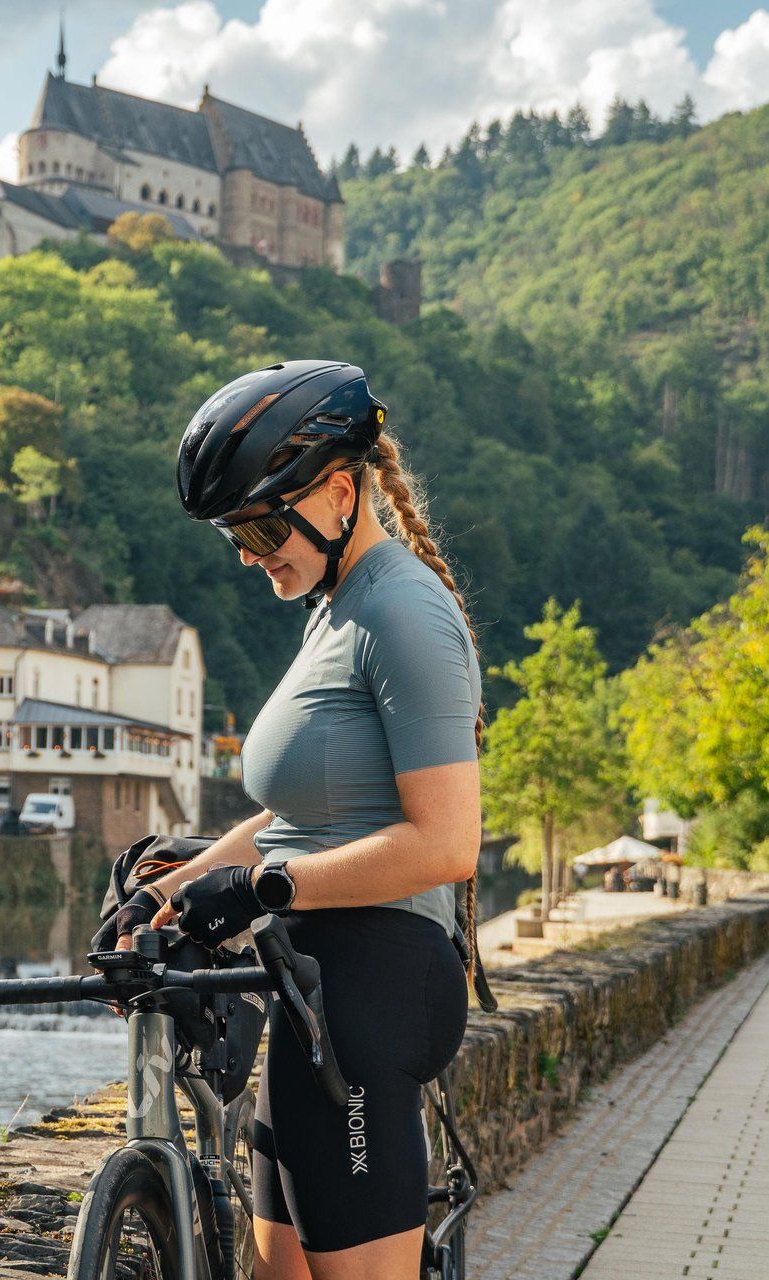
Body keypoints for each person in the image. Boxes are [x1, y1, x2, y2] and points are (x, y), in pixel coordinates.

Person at [95, 360, 485, 1280]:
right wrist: (177, 888)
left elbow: (446, 843)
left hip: (375, 983)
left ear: (340, 492)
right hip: (313, 977)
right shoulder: (333, 611)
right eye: (236, 534)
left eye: (263, 525)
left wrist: (264, 888)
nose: (248, 552)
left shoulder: (403, 613)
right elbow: (296, 817)